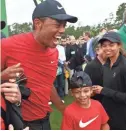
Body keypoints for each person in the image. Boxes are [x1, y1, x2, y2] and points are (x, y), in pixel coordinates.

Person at [1, 0, 78, 129]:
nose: (62, 30)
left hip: (45, 120)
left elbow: (47, 84)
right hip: (18, 123)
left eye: (64, 25)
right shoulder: (7, 46)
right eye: (58, 24)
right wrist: (2, 75)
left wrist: (62, 108)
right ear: (38, 23)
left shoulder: (54, 53)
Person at [93, 31, 126, 130]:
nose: (107, 48)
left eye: (111, 45)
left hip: (122, 120)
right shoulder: (106, 64)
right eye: (104, 45)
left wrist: (104, 90)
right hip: (108, 116)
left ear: (119, 45)